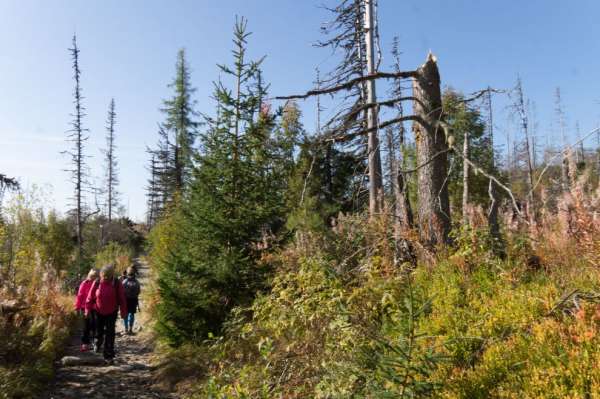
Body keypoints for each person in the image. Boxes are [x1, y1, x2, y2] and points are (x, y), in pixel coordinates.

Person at [85, 264, 127, 363]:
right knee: (99, 332)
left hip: (112, 312)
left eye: (107, 275)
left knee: (110, 333)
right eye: (104, 275)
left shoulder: (116, 283)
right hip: (98, 311)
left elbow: (122, 299)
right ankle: (97, 342)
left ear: (112, 275)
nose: (105, 277)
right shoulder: (97, 282)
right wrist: (87, 310)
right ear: (101, 275)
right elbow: (90, 298)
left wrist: (123, 312)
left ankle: (109, 354)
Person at [75, 269, 98, 352]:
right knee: (86, 326)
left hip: (95, 308)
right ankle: (85, 344)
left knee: (95, 326)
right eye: (91, 276)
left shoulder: (98, 284)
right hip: (84, 307)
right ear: (89, 276)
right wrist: (77, 307)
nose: (92, 278)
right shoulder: (84, 283)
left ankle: (95, 343)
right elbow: (80, 296)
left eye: (94, 277)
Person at [122, 266, 141, 334]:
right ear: (134, 274)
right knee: (132, 314)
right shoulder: (137, 282)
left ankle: (126, 329)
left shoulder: (124, 282)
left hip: (125, 300)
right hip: (133, 300)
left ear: (127, 273)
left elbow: (121, 292)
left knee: (125, 315)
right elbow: (138, 291)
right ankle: (130, 329)